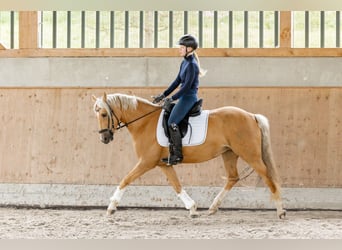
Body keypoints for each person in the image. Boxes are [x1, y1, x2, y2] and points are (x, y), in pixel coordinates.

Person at [153, 34, 206, 165]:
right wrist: (163, 95)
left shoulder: (192, 65)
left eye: (182, 47)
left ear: (189, 49)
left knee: (172, 122)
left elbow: (186, 87)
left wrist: (172, 98)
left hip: (189, 97)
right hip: (183, 96)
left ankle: (177, 155)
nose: (179, 49)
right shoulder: (185, 63)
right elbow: (177, 81)